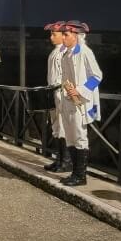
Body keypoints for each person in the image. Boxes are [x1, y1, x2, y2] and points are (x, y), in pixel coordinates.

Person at [57, 20, 103, 187]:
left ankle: (80, 176)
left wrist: (80, 90)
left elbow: (97, 76)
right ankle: (74, 173)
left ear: (76, 36)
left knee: (79, 137)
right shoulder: (66, 54)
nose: (63, 37)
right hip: (68, 101)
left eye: (66, 34)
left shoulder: (85, 52)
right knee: (70, 137)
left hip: (80, 103)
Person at [42, 21, 71, 174]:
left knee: (63, 127)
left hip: (61, 94)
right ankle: (59, 159)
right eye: (51, 34)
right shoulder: (56, 51)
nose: (51, 37)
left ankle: (66, 161)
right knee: (56, 127)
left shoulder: (64, 52)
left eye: (54, 34)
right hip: (54, 93)